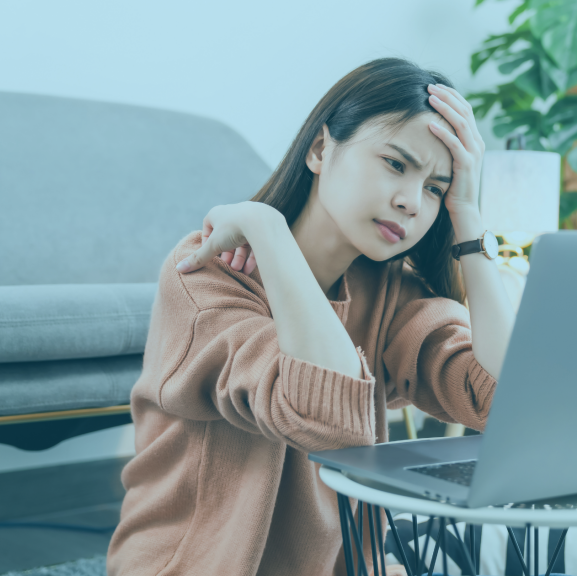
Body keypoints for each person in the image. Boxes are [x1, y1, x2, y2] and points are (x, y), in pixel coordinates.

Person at [106, 57, 516, 576]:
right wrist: (268, 227)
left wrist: (469, 220)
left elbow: (508, 403)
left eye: (435, 188)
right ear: (321, 149)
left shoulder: (393, 293)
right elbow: (327, 420)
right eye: (395, 164)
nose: (412, 202)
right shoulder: (206, 274)